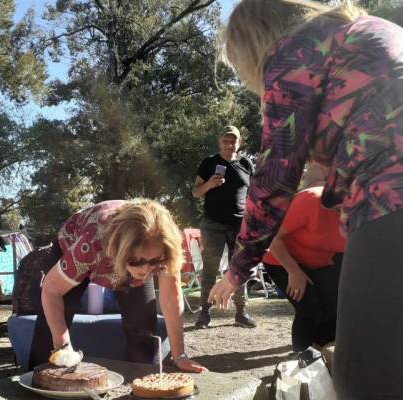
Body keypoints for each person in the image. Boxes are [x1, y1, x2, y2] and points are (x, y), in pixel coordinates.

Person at [208, 1, 403, 398]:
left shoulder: (294, 53)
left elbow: (276, 176)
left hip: (389, 197)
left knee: (364, 373)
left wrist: (237, 270)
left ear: (254, 44)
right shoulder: (366, 30)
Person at [28, 199, 207, 373]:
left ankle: (141, 380)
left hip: (117, 253)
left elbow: (171, 299)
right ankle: (36, 378)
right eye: (136, 260)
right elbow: (52, 291)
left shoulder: (168, 245)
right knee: (52, 323)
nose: (145, 270)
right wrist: (62, 348)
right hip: (79, 243)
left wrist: (180, 356)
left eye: (154, 261)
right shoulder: (92, 245)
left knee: (143, 322)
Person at [263, 184, 345, 352]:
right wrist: (294, 272)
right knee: (309, 307)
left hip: (321, 260)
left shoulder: (370, 216)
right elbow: (272, 236)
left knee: (334, 306)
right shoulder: (311, 200)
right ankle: (302, 360)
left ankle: (325, 355)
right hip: (281, 259)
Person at [192, 126, 255, 329]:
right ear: (220, 142)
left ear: (239, 142)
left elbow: (254, 192)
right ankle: (204, 313)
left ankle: (241, 312)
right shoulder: (209, 163)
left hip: (239, 225)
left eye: (233, 141)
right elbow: (195, 192)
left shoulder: (246, 163)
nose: (229, 144)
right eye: (226, 141)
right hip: (212, 224)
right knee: (210, 268)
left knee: (238, 268)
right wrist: (209, 184)